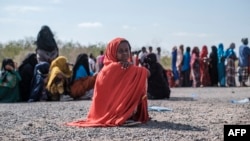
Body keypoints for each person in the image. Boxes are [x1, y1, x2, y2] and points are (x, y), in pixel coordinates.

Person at [66, 37, 150, 127]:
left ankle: (126, 113)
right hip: (113, 110)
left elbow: (146, 73)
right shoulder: (114, 67)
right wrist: (132, 68)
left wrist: (131, 68)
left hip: (104, 112)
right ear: (113, 52)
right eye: (120, 51)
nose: (125, 53)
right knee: (140, 77)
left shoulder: (111, 68)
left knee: (139, 77)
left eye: (127, 50)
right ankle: (125, 114)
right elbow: (147, 73)